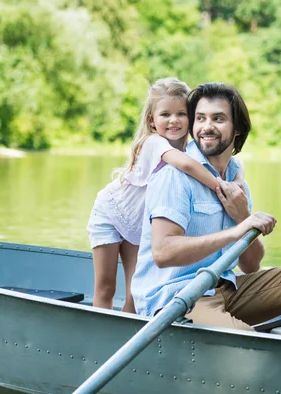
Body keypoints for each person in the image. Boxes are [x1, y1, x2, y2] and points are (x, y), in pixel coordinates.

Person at [131, 82, 281, 344]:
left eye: (218, 118)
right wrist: (237, 230)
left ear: (238, 129)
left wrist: (243, 217)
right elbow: (163, 253)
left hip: (227, 289)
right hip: (177, 298)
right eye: (200, 118)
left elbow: (251, 265)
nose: (206, 126)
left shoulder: (235, 180)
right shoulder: (174, 176)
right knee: (250, 346)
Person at [87, 78, 245, 313]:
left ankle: (133, 338)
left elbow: (235, 166)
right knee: (106, 287)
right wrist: (221, 185)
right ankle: (99, 335)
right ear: (152, 120)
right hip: (112, 213)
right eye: (165, 115)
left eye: (182, 114)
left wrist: (238, 181)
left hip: (141, 222)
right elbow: (189, 166)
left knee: (135, 290)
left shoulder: (190, 147)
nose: (174, 120)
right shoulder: (154, 142)